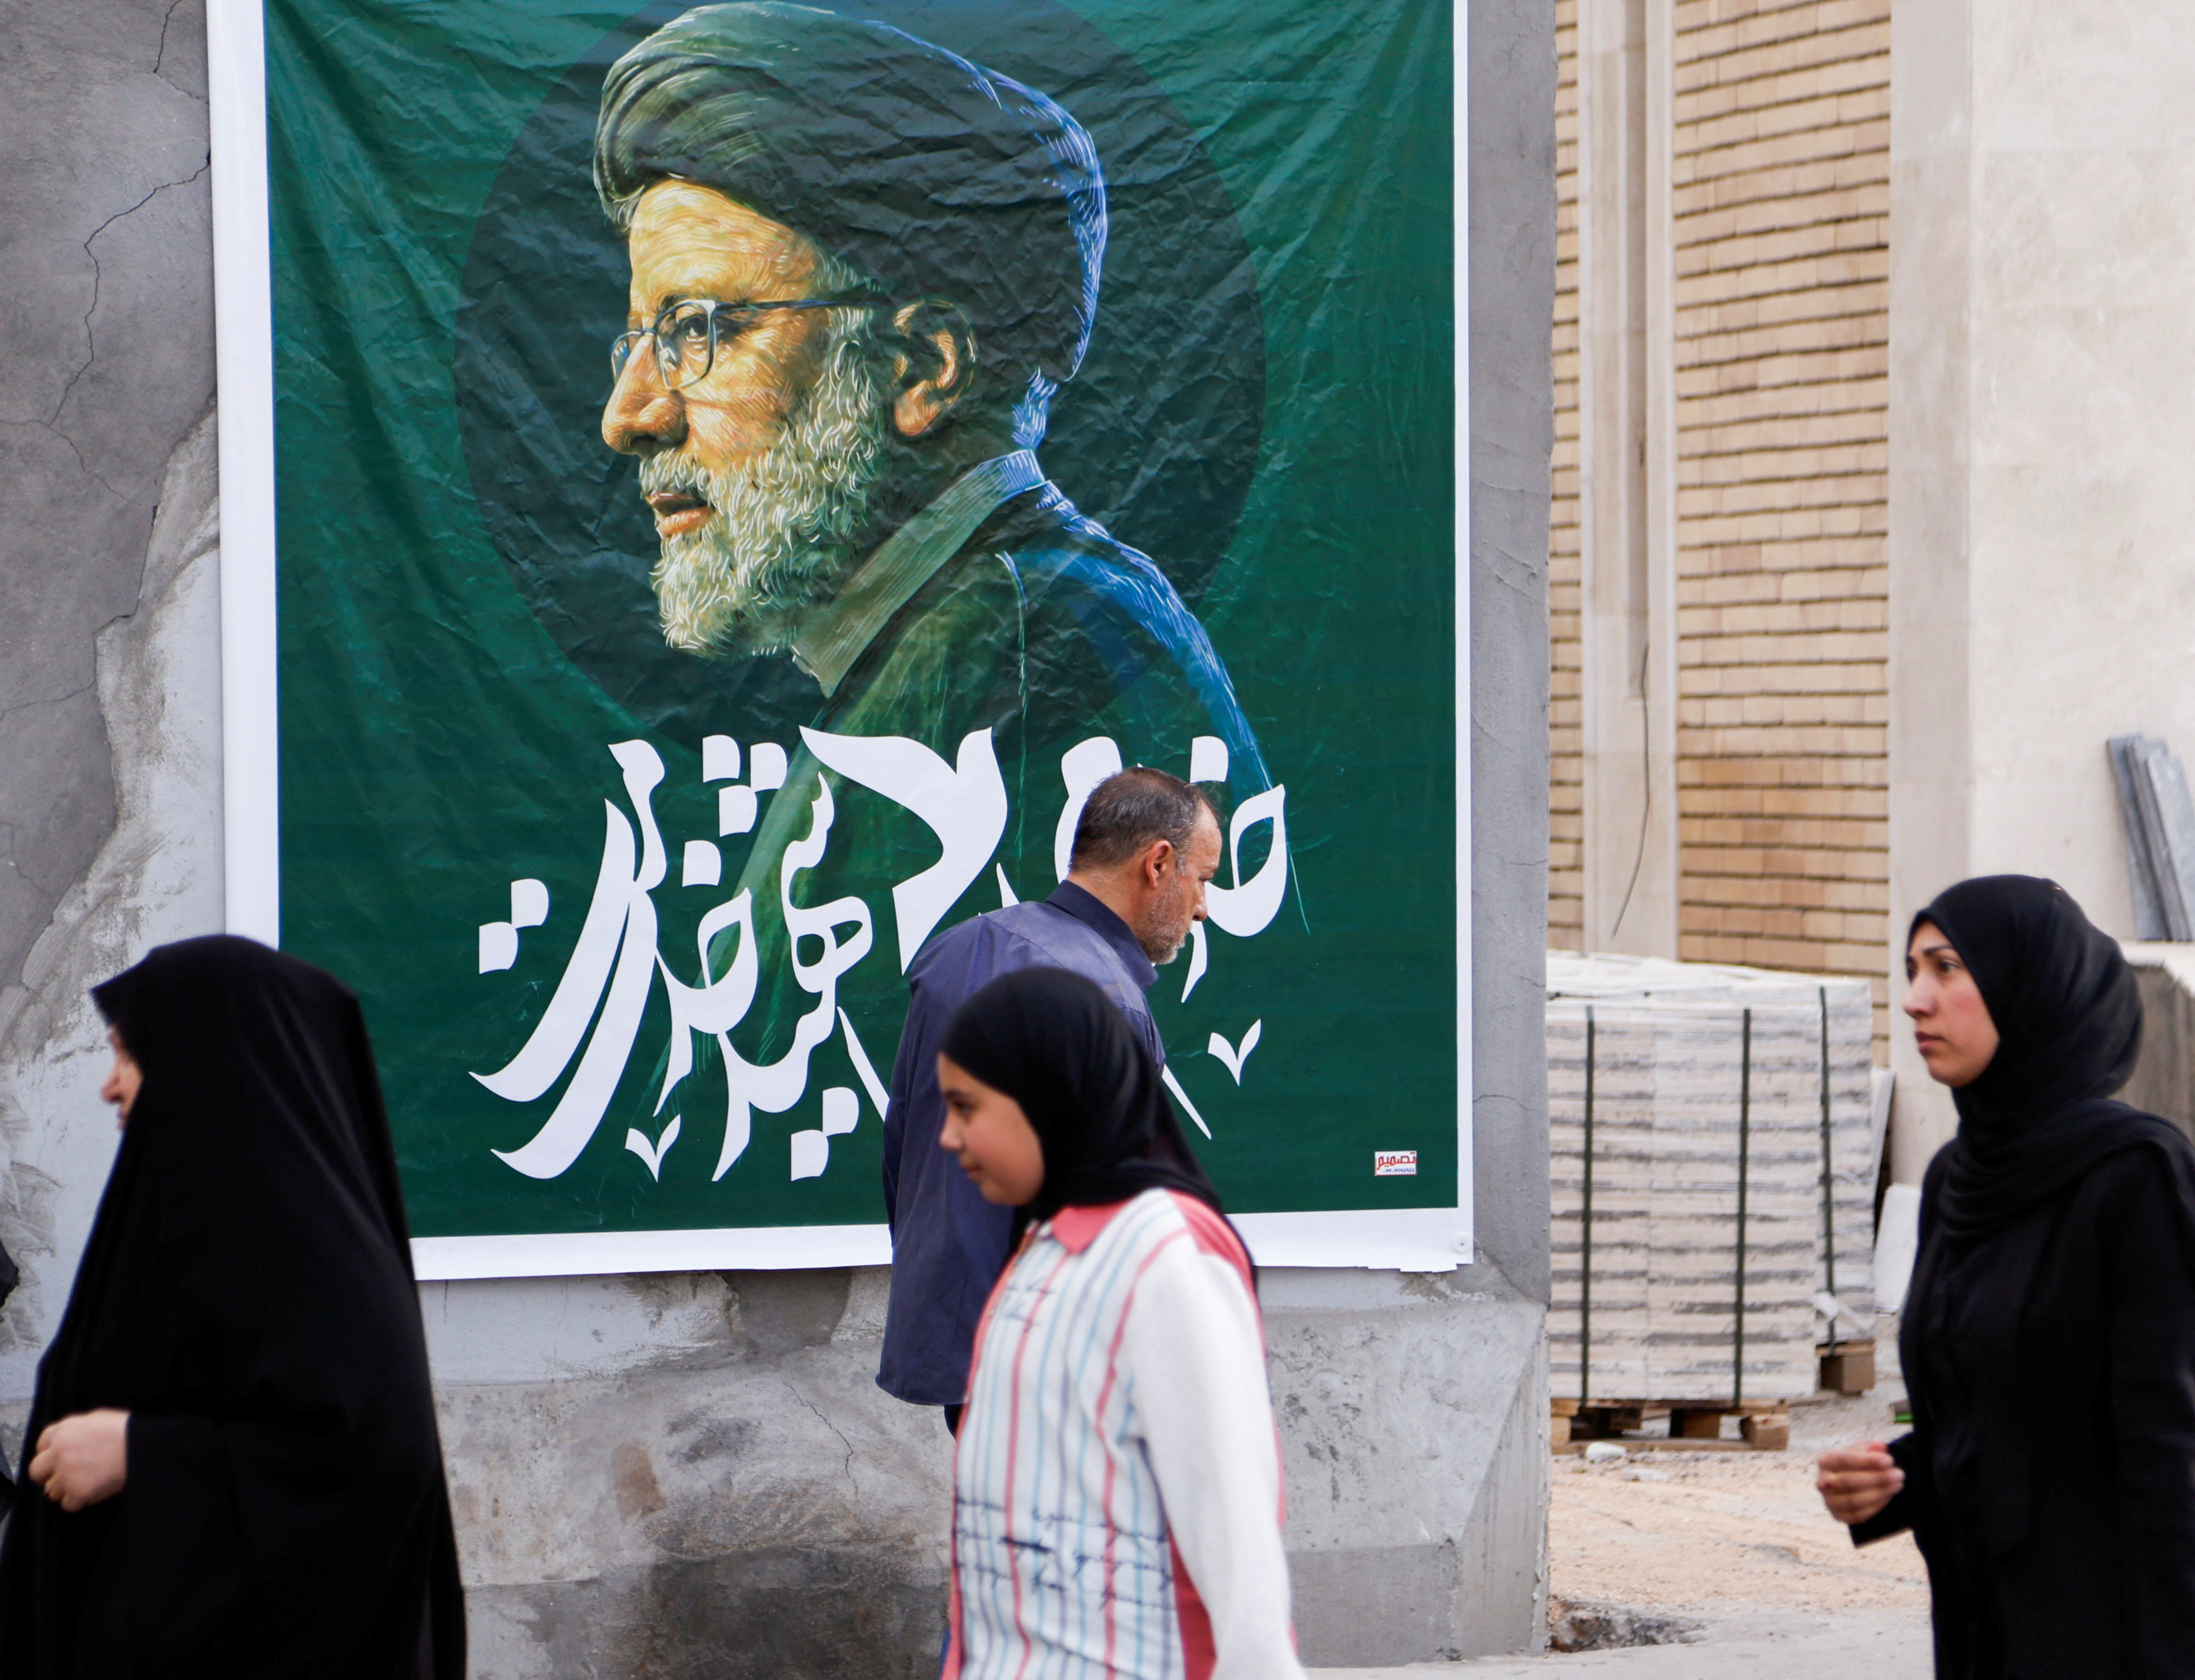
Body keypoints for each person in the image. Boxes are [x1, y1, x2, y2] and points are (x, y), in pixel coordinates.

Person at [586, 1, 1273, 1065]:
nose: (628, 414)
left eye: (694, 333)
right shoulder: (1013, 611)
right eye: (639, 339)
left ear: (922, 370)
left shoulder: (1000, 643)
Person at [0, 936, 467, 1678]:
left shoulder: (311, 1254)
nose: (109, 1084)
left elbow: (375, 1461)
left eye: (130, 1053)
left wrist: (143, 1457)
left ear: (213, 1065)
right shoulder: (177, 1218)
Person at [1815, 876, 2195, 1677]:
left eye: (1948, 967)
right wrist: (1897, 1478)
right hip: (1980, 1630)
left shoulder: (2134, 1175)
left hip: (2116, 1639)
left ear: (2033, 987)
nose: (1917, 999)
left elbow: (2171, 1450)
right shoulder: (1958, 1181)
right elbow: (2002, 1418)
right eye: (1912, 968)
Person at [935, 965, 1302, 1680]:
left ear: (1049, 1093)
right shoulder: (1043, 1249)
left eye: (966, 1106)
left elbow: (1238, 1545)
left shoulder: (1167, 1260)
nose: (948, 1136)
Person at [877, 766, 1221, 1424]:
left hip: (962, 1338)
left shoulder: (958, 950)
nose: (1201, 905)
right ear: (1158, 863)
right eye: (1201, 879)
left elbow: (903, 1150)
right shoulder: (1105, 999)